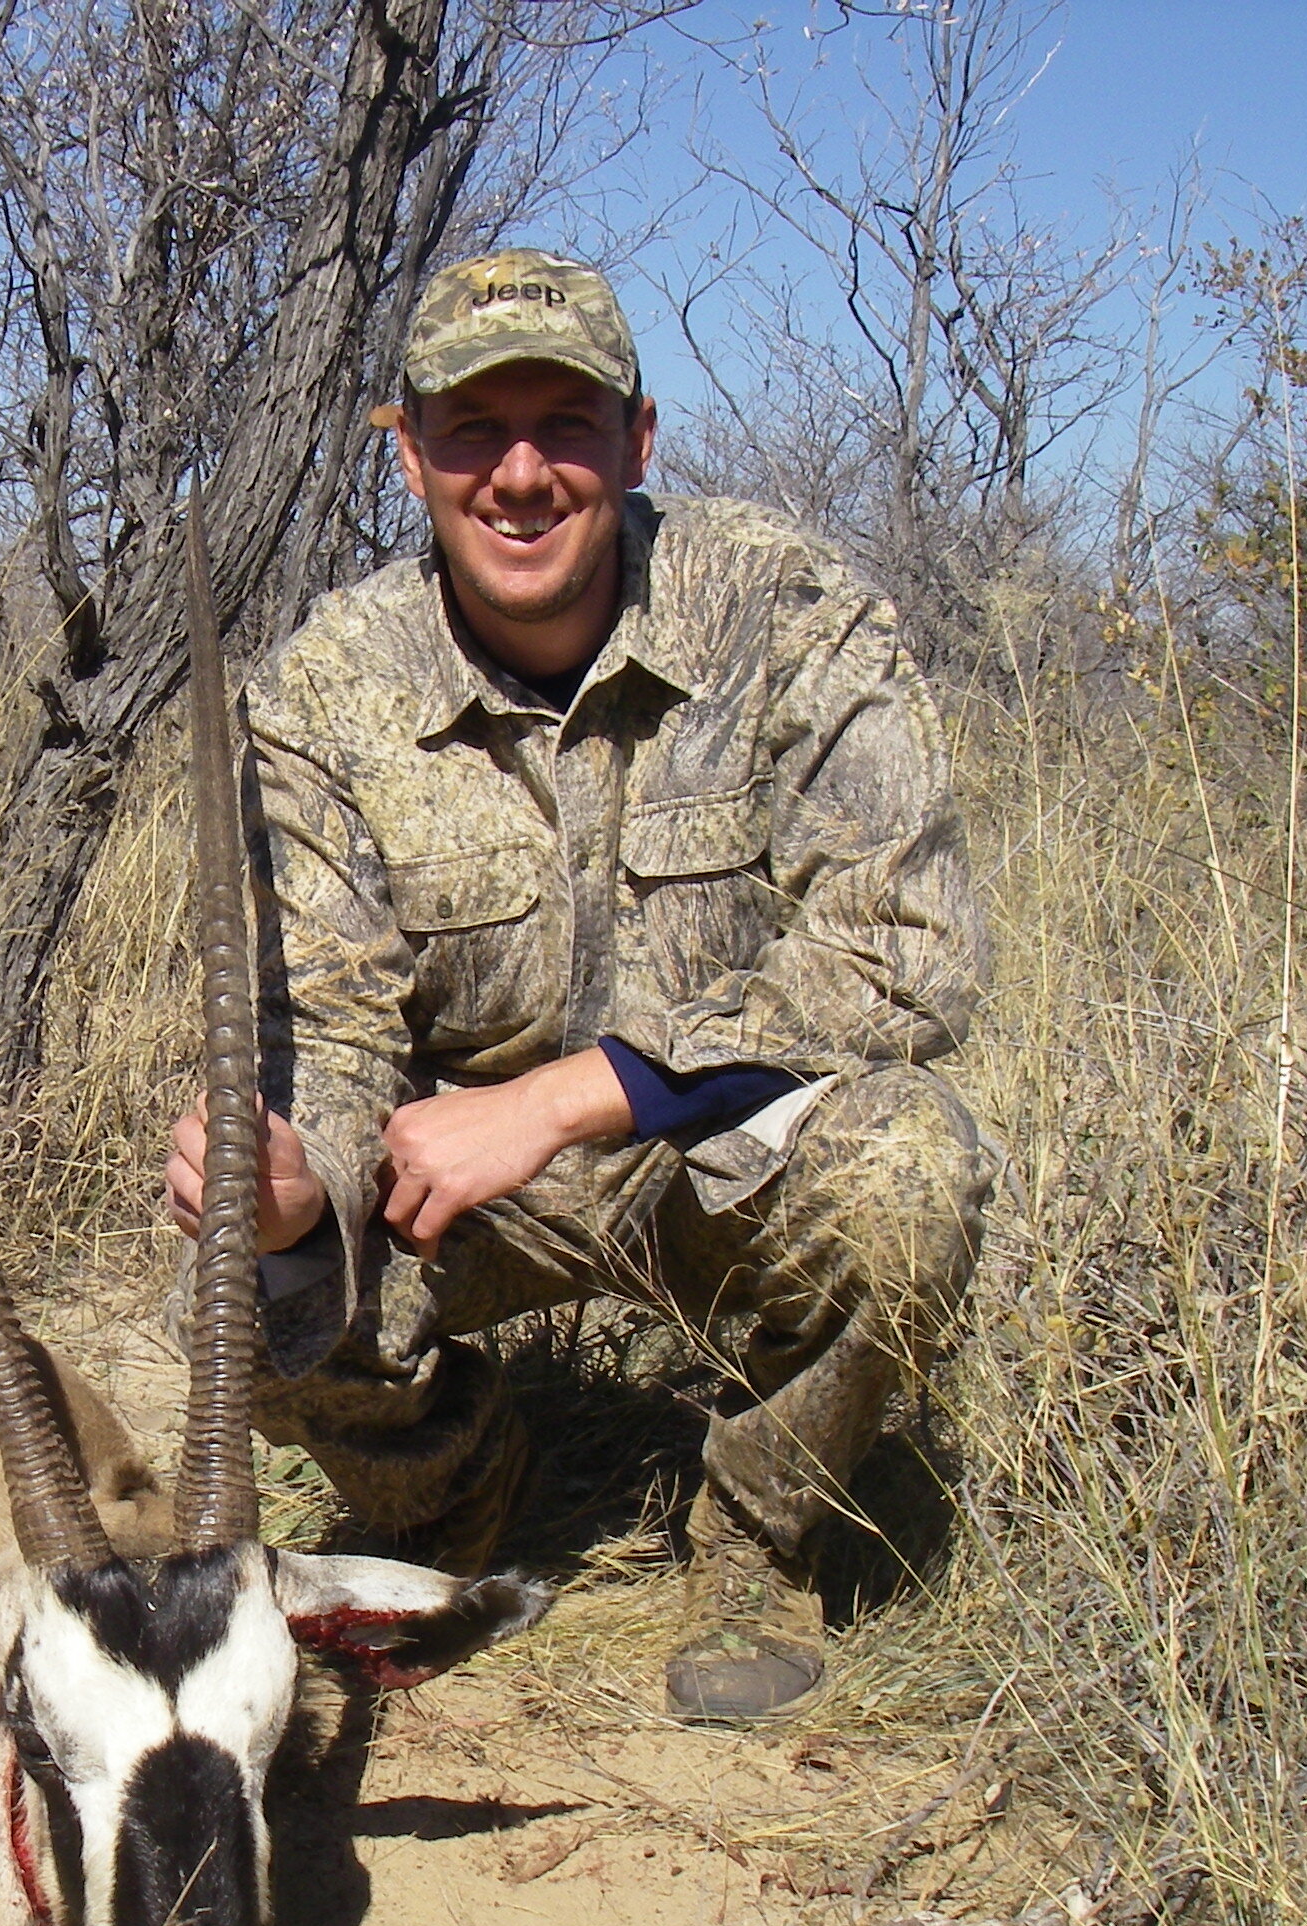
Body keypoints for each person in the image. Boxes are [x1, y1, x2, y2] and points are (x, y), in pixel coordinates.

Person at [165, 249, 993, 1722]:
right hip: (461, 1192)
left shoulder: (789, 606)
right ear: (409, 451)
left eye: (568, 424)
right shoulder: (322, 687)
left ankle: (754, 1535)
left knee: (913, 1161)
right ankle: (451, 1491)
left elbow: (905, 954)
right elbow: (336, 1036)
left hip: (727, 1157)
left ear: (639, 441)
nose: (523, 473)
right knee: (243, 1257)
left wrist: (568, 1097)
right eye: (476, 430)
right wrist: (306, 1180)